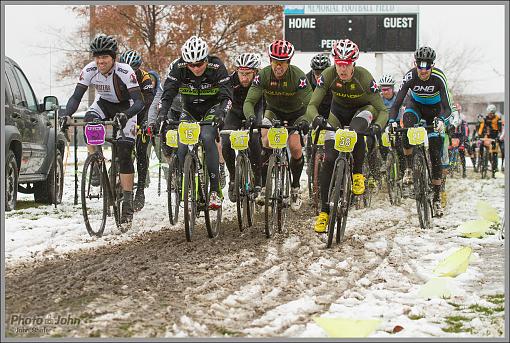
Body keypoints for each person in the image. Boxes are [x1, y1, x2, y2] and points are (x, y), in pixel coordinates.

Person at [61, 34, 145, 227]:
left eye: (104, 57)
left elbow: (139, 102)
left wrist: (126, 115)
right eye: (97, 56)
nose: (100, 61)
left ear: (113, 57)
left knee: (124, 153)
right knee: (90, 122)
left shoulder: (125, 71)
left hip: (127, 108)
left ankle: (127, 203)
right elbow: (75, 97)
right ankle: (97, 165)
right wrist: (66, 114)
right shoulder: (89, 70)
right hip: (103, 105)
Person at [306, 39, 388, 233]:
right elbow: (311, 105)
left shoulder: (365, 77)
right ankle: (324, 212)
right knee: (329, 159)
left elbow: (382, 110)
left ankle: (357, 173)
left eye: (346, 65)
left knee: (355, 130)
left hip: (363, 110)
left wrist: (378, 126)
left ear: (354, 63)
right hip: (337, 113)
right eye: (339, 64)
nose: (342, 69)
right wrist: (316, 118)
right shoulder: (328, 75)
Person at [154, 36, 233, 209]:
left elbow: (227, 95)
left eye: (199, 64)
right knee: (182, 145)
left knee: (206, 136)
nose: (195, 68)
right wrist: (161, 114)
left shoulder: (216, 66)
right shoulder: (179, 67)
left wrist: (222, 113)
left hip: (212, 109)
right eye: (191, 65)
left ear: (206, 59)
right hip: (189, 110)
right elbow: (167, 94)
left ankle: (214, 190)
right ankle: (187, 183)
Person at [243, 39, 313, 211]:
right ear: (270, 60)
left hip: (297, 114)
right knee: (266, 140)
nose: (278, 67)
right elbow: (249, 101)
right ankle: (265, 187)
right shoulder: (264, 75)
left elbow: (311, 103)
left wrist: (306, 120)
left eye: (282, 63)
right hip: (273, 112)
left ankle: (295, 188)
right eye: (275, 62)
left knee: (295, 147)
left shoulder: (298, 76)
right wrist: (251, 117)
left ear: (288, 62)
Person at [388, 46, 456, 216]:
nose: (423, 71)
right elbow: (397, 103)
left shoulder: (439, 78)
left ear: (432, 66)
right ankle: (410, 168)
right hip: (415, 107)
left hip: (436, 111)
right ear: (415, 64)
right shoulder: (410, 76)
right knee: (406, 128)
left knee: (435, 153)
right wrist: (391, 121)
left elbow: (447, 108)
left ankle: (436, 198)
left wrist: (442, 120)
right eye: (420, 66)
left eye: (427, 67)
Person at [221, 53, 264, 202]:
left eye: (248, 74)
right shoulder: (230, 81)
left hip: (255, 111)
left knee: (254, 138)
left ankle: (258, 178)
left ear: (255, 72)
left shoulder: (261, 80)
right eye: (241, 74)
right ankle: (233, 177)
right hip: (235, 113)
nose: (244, 78)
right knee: (226, 140)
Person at [119, 49, 155, 211]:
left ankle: (140, 189)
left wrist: (143, 122)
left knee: (141, 151)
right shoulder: (117, 75)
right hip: (124, 114)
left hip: (141, 115)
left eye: (132, 70)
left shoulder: (145, 77)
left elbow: (148, 100)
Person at [478, 104, 503, 176]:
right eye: (489, 113)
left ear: (494, 113)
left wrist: (498, 137)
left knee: (494, 153)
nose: (490, 115)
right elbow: (481, 127)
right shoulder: (485, 119)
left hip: (494, 136)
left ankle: (494, 170)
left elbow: (500, 130)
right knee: (481, 145)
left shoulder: (498, 119)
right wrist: (479, 135)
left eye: (491, 114)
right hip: (487, 136)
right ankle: (482, 159)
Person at [447, 103, 469, 178]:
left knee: (462, 153)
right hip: (452, 137)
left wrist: (465, 138)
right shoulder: (449, 118)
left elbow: (465, 129)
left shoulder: (463, 118)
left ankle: (464, 171)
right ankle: (449, 169)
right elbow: (447, 128)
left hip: (460, 137)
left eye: (458, 110)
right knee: (449, 152)